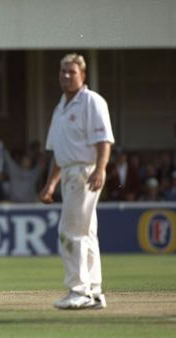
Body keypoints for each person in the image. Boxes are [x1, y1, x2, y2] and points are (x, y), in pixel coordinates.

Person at [39, 53, 114, 310]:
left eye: (72, 72)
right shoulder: (60, 107)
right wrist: (50, 184)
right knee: (86, 233)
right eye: (63, 72)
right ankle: (93, 291)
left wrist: (100, 169)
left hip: (85, 171)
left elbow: (104, 140)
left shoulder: (91, 101)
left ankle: (78, 290)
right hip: (69, 172)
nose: (67, 76)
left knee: (70, 232)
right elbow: (58, 152)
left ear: (82, 75)